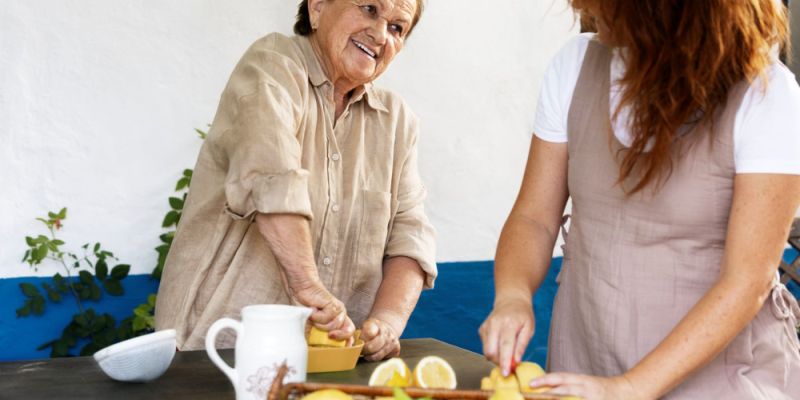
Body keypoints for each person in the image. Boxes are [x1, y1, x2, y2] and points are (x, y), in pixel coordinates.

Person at [479, 1, 800, 398]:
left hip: (720, 382)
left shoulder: (767, 95)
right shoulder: (574, 66)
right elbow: (534, 218)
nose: (578, 4)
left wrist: (631, 388)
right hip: (587, 363)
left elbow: (746, 281)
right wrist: (513, 295)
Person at [155, 0, 436, 362]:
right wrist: (306, 284)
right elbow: (272, 178)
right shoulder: (273, 64)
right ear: (317, 7)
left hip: (326, 361)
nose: (381, 34)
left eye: (398, 27)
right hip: (216, 348)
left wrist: (386, 323)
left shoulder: (398, 121)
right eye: (369, 8)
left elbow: (410, 237)